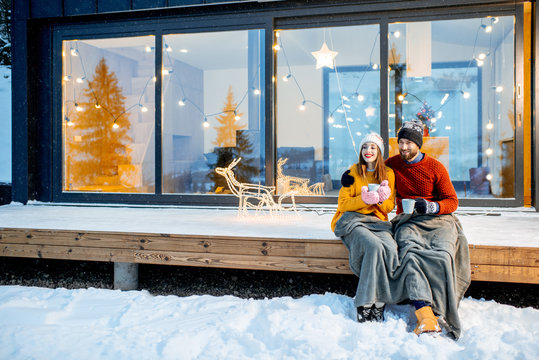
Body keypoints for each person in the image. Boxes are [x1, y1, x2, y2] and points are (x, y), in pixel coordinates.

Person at [385, 119, 471, 339]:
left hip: (438, 220)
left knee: (442, 256)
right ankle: (425, 315)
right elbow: (371, 174)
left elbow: (452, 201)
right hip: (408, 221)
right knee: (410, 255)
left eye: (408, 143)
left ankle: (440, 308)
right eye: (401, 142)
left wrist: (432, 206)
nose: (404, 147)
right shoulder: (392, 164)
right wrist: (350, 181)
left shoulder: (435, 167)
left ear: (418, 144)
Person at [331, 133, 397, 323]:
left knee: (390, 248)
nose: (368, 151)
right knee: (373, 247)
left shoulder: (389, 174)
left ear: (379, 152)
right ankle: (366, 303)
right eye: (365, 147)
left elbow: (389, 207)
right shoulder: (351, 173)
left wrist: (381, 199)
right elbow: (343, 204)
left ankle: (380, 299)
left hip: (377, 222)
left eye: (373, 147)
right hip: (353, 220)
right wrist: (364, 200)